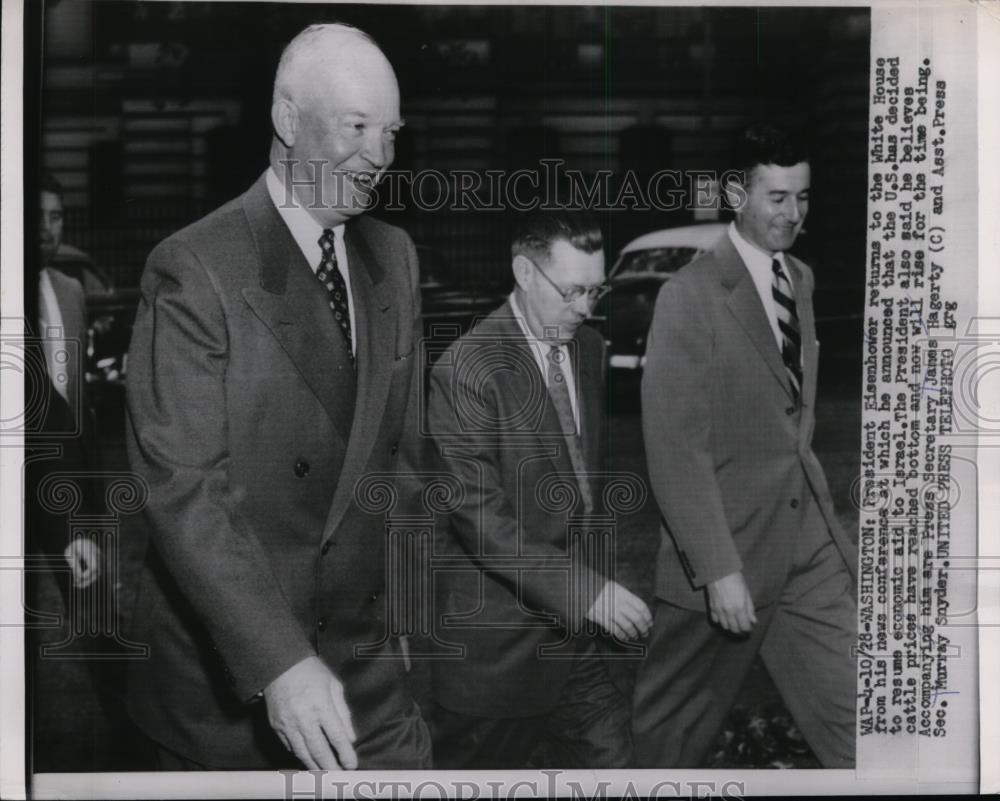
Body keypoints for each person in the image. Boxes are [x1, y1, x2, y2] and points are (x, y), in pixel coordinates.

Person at [125, 23, 429, 770]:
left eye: (390, 132)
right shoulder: (196, 266)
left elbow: (409, 461)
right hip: (235, 685)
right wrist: (278, 661)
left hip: (370, 681)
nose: (379, 157)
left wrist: (409, 610)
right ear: (288, 120)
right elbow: (185, 490)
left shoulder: (395, 257)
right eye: (356, 127)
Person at [632, 124, 857, 768]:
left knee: (862, 717)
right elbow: (675, 445)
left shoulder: (802, 281)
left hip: (806, 544)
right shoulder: (688, 296)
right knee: (670, 739)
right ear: (736, 194)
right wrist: (717, 567)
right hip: (724, 560)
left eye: (804, 198)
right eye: (778, 197)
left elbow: (792, 419)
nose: (794, 214)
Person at [426, 209, 653, 769]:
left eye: (596, 291)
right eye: (572, 291)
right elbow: (484, 523)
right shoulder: (466, 370)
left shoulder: (590, 352)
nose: (585, 309)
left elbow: (580, 492)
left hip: (575, 643)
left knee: (612, 769)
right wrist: (588, 592)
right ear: (524, 274)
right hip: (494, 650)